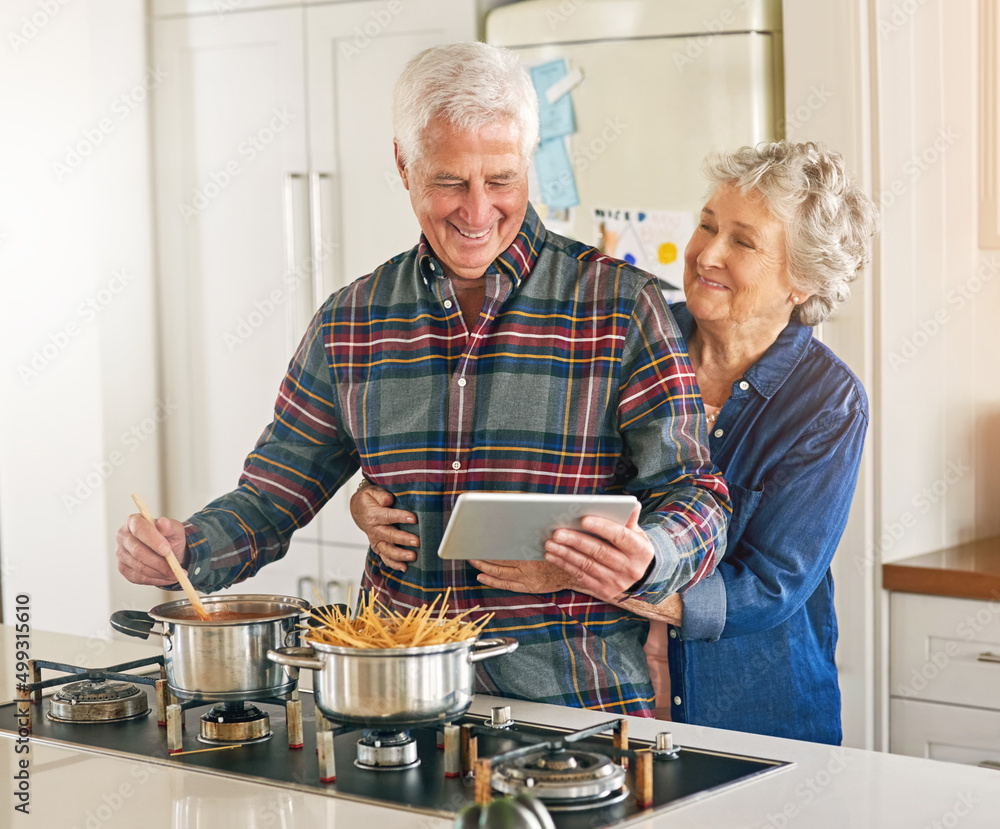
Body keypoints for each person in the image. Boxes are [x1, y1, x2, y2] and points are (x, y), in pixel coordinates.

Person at [115, 41, 730, 717]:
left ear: (529, 163)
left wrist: (650, 556)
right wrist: (188, 547)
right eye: (448, 181)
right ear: (404, 166)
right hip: (393, 708)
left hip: (575, 709)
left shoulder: (619, 305)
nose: (476, 211)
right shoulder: (352, 320)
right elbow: (272, 495)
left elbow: (696, 493)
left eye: (500, 180)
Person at [352, 139, 879, 744]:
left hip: (749, 710)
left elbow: (769, 586)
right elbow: (504, 459)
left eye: (743, 241)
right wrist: (384, 498)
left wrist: (584, 574)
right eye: (707, 225)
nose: (706, 253)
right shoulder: (631, 326)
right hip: (605, 700)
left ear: (802, 282)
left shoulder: (829, 404)